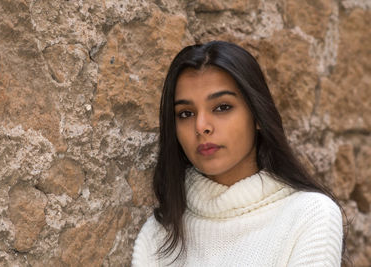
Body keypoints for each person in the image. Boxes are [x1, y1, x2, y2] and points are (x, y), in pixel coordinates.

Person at [131, 41, 344, 266]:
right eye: (185, 114)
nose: (201, 126)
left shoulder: (309, 215)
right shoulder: (158, 235)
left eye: (222, 107)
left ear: (258, 116)